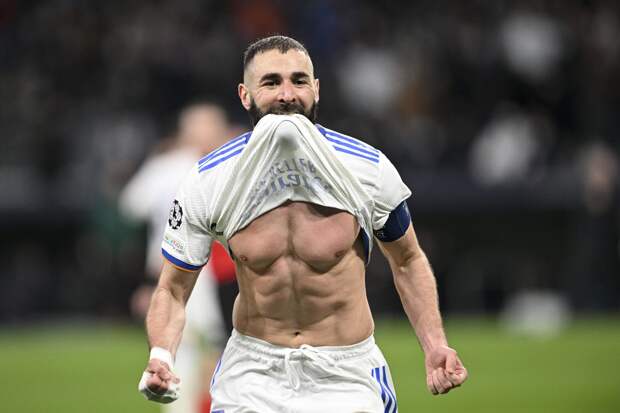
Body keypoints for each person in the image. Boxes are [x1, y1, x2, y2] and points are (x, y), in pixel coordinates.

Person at [138, 36, 468, 412]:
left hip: (347, 374)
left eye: (298, 80)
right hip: (252, 374)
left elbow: (407, 260)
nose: (287, 94)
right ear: (245, 95)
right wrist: (161, 355)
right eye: (271, 82)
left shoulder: (367, 168)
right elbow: (173, 289)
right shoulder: (208, 181)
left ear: (316, 89)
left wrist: (435, 345)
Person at [122, 103, 235, 413]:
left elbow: (130, 208)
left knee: (202, 349)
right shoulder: (208, 166)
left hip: (204, 270)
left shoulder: (166, 165)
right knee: (202, 348)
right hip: (192, 269)